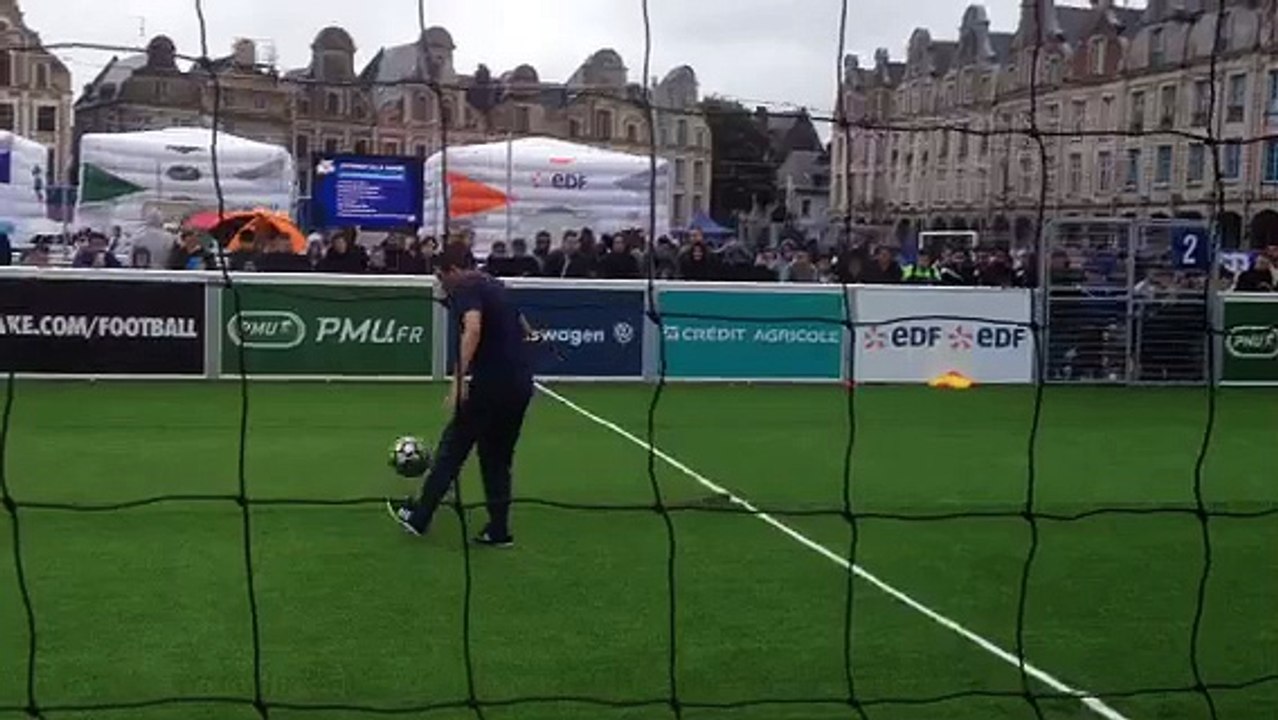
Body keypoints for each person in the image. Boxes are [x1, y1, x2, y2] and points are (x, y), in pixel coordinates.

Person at [388, 241, 535, 547]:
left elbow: (473, 328)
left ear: (453, 270)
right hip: (520, 384)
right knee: (497, 459)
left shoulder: (466, 286)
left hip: (491, 385)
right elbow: (523, 324)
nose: (441, 285)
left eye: (441, 277)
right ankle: (499, 531)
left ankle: (419, 518)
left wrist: (458, 380)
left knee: (451, 450)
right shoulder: (494, 283)